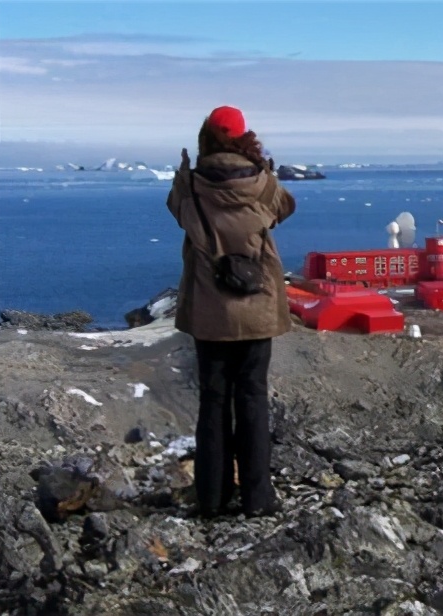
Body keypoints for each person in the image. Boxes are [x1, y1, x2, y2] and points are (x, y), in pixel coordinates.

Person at [166, 105, 296, 518]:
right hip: (256, 304)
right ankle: (258, 500)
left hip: (209, 309)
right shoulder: (263, 184)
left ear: (205, 137)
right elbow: (285, 209)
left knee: (214, 399)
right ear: (244, 138)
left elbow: (175, 211)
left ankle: (212, 498)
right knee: (254, 398)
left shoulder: (189, 186)